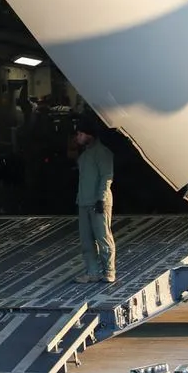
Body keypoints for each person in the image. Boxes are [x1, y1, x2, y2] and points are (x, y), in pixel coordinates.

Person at [73, 115, 116, 283]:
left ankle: (109, 271)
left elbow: (107, 176)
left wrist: (102, 199)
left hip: (98, 202)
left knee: (103, 238)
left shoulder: (102, 153)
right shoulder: (84, 155)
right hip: (84, 202)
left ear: (89, 135)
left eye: (80, 134)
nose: (78, 137)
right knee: (86, 241)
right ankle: (92, 272)